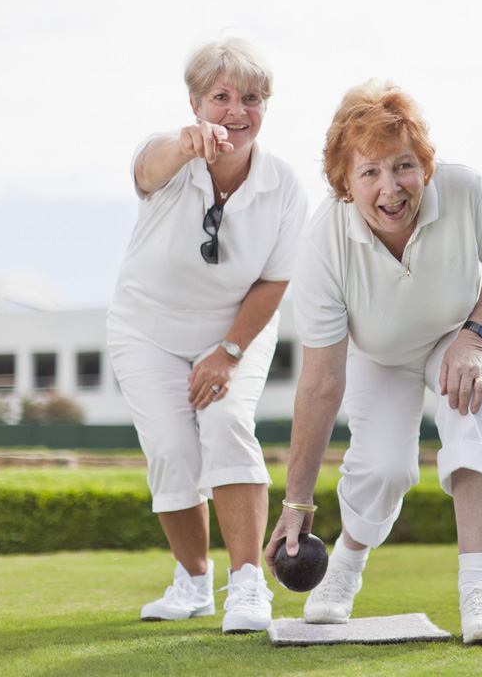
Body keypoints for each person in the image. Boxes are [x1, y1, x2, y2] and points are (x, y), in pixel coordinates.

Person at [263, 79, 482, 645]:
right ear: (344, 183)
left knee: (469, 405)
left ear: (424, 167)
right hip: (379, 354)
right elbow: (320, 381)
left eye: (403, 166)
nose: (391, 188)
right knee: (383, 467)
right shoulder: (322, 246)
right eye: (370, 173)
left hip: (462, 332)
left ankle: (479, 587)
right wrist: (296, 500)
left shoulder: (465, 190)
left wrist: (475, 335)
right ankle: (346, 569)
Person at [106, 37, 308, 634]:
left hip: (235, 331)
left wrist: (227, 351)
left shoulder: (284, 186)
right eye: (220, 97)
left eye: (250, 98)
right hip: (146, 330)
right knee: (171, 449)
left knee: (224, 424)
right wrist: (182, 145)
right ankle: (193, 582)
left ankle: (247, 587)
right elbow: (149, 168)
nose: (235, 111)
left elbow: (276, 280)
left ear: (265, 107)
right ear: (195, 102)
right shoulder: (165, 155)